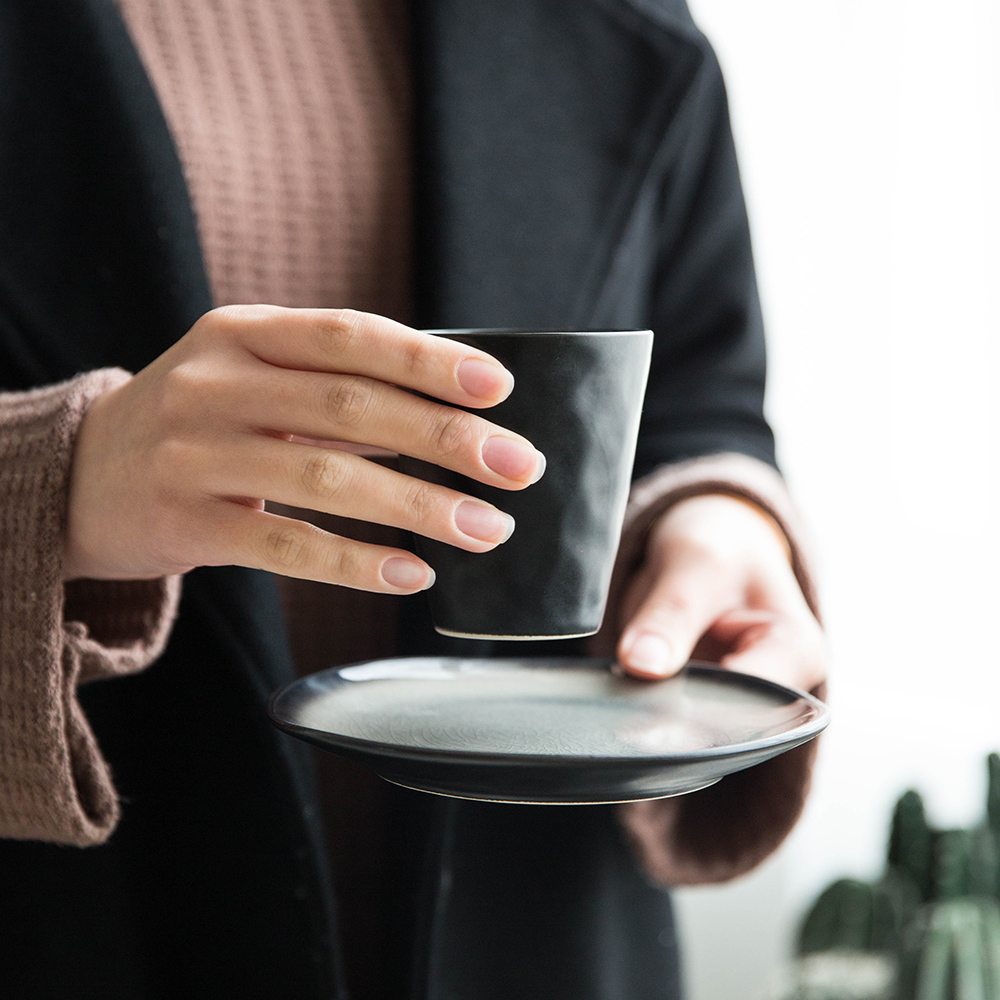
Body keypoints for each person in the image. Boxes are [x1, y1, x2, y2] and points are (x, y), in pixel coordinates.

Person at [0, 1, 826, 998]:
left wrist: (716, 515)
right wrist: (53, 483)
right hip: (81, 922)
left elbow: (700, 394)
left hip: (532, 924)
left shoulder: (619, 23)